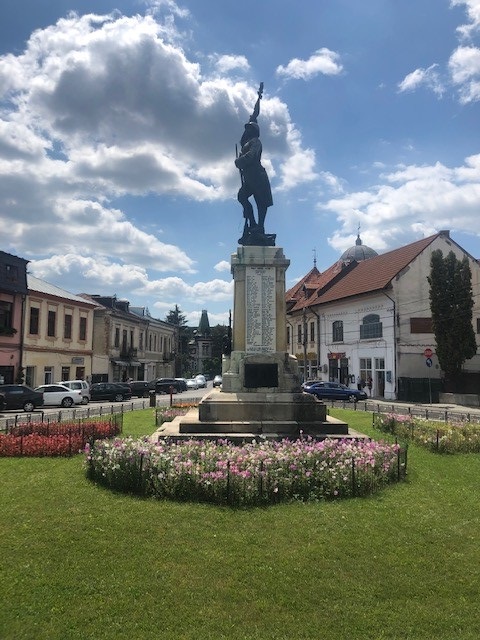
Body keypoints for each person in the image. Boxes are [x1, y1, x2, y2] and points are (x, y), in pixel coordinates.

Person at [235, 84, 273, 240]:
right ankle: (252, 222)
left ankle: (260, 227)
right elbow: (253, 115)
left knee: (260, 202)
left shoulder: (255, 141)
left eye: (249, 129)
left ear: (254, 131)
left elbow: (251, 156)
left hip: (257, 176)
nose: (247, 130)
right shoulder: (247, 141)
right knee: (242, 197)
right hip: (250, 177)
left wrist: (239, 161)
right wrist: (257, 99)